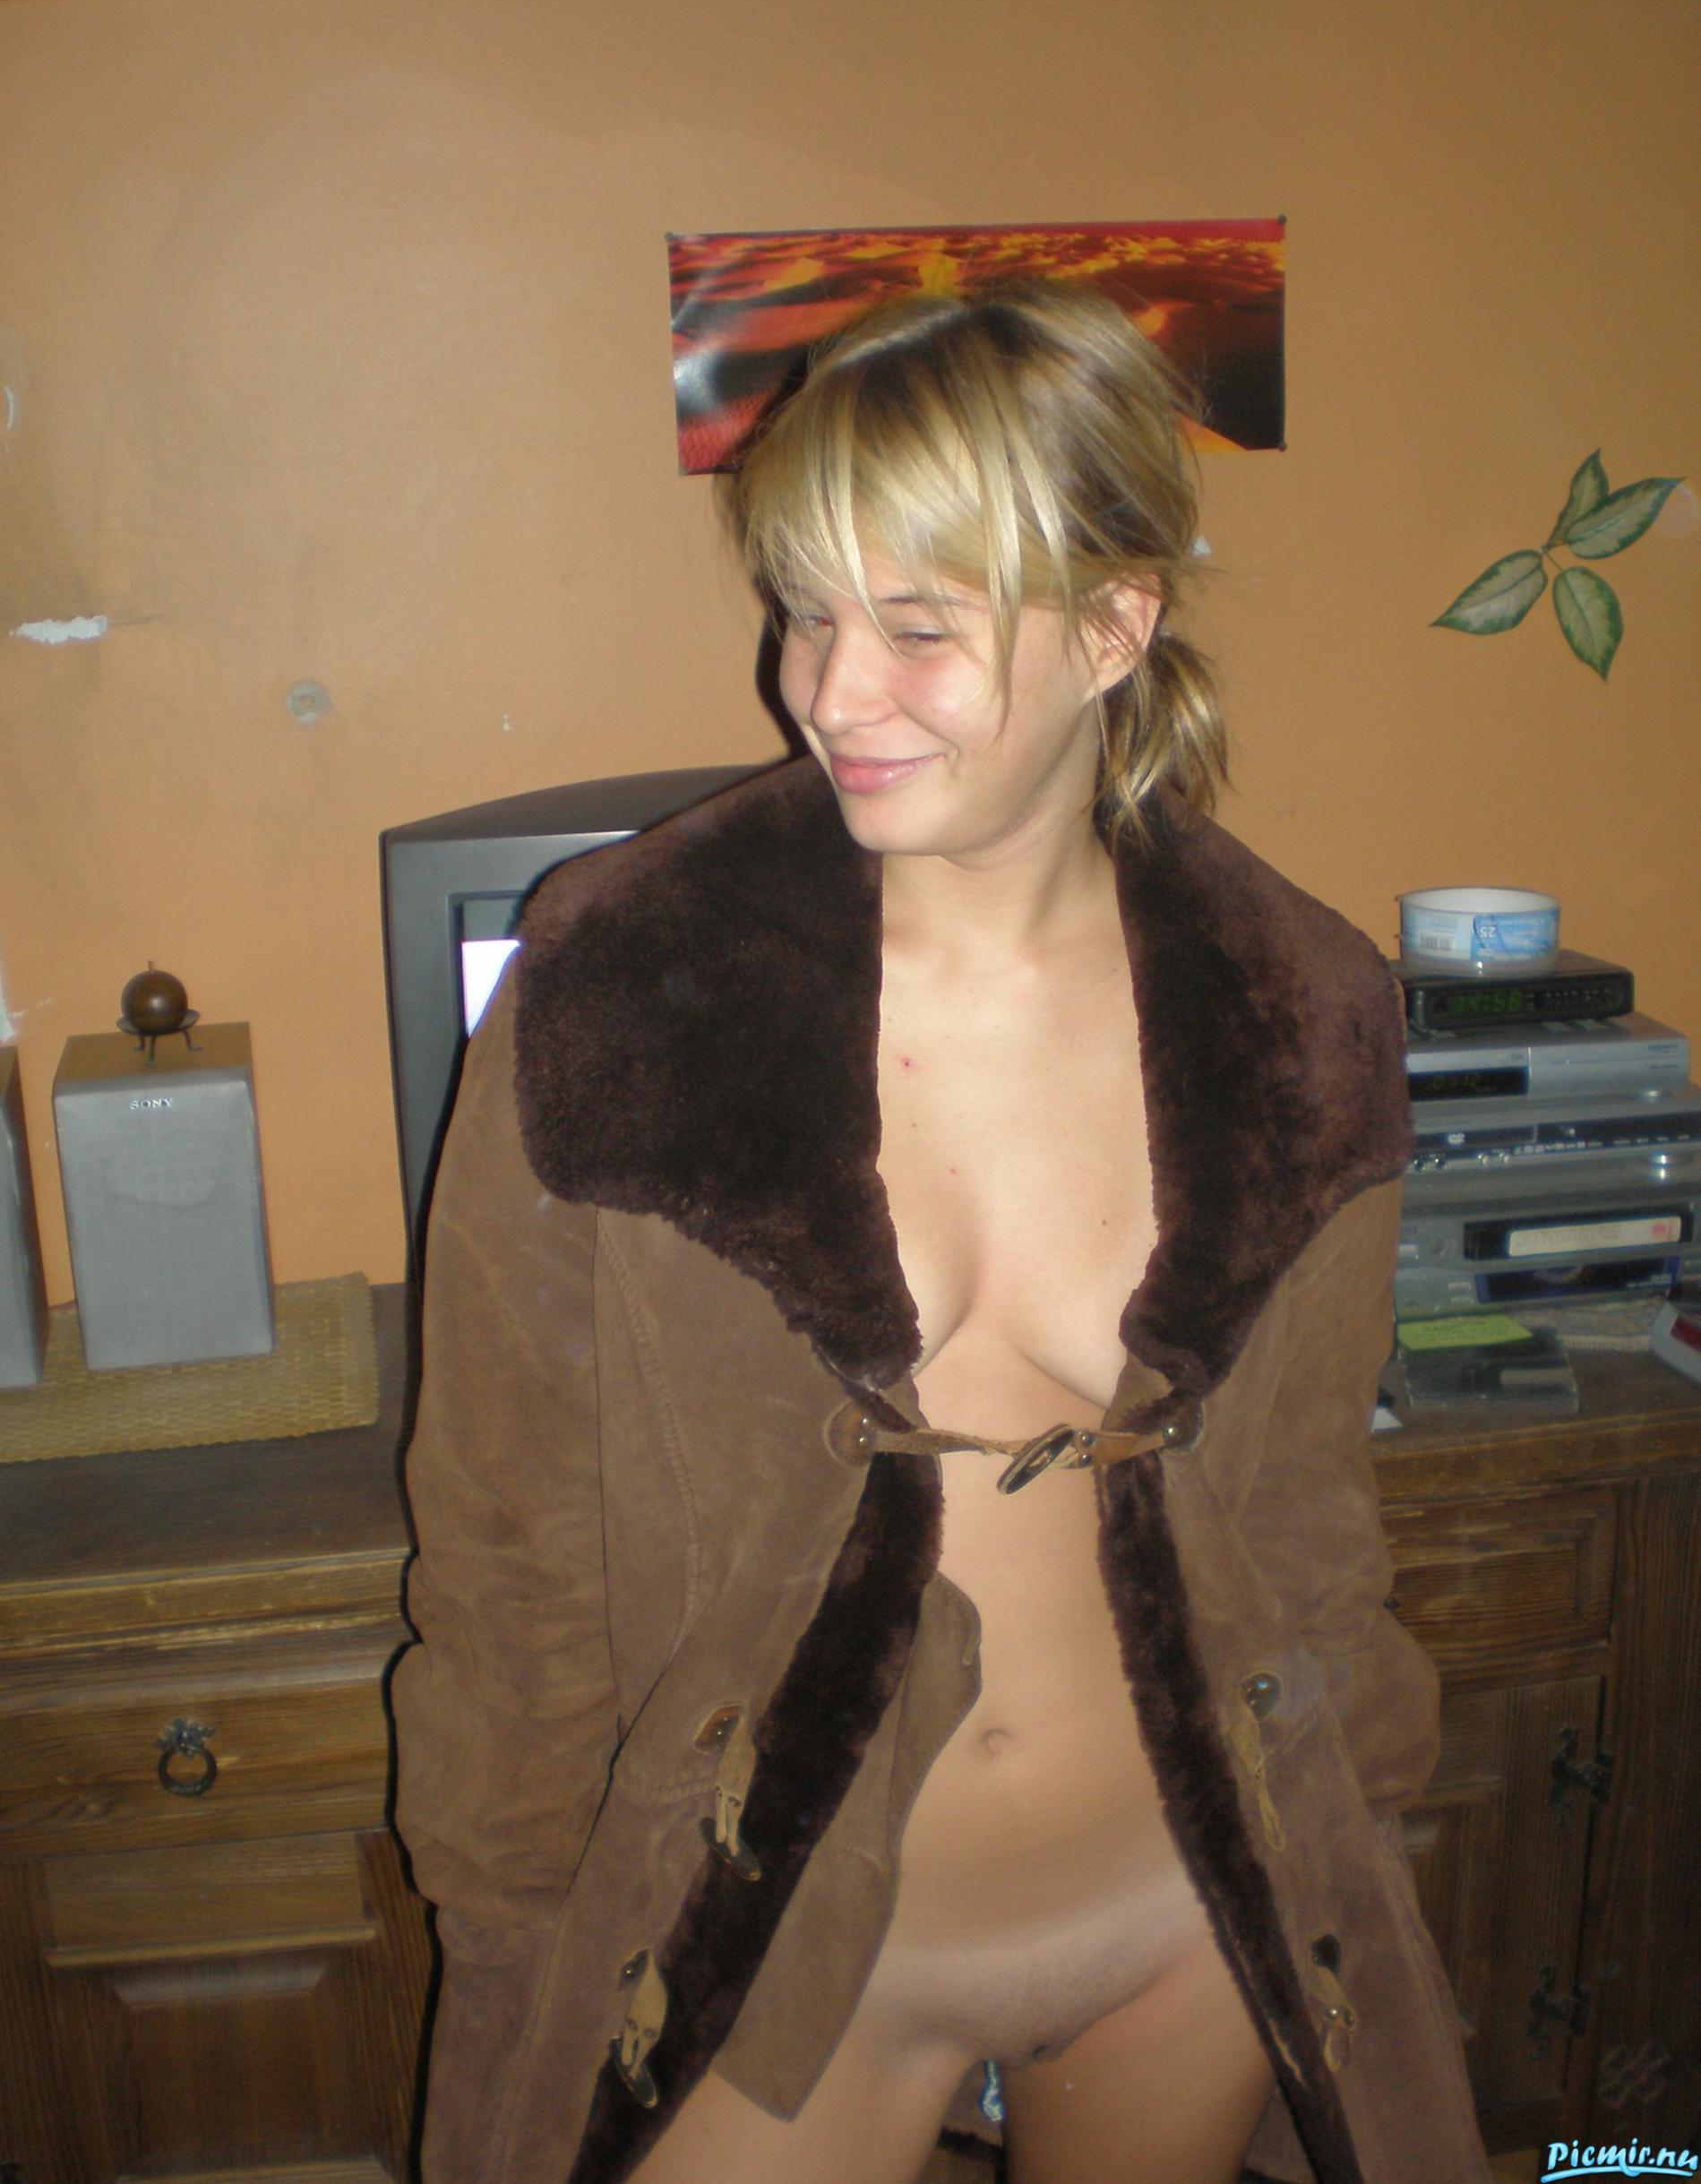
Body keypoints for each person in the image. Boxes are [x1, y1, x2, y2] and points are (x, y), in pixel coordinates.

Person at [391, 282, 1491, 2184]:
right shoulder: (616, 989)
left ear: (1113, 624)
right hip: (764, 1948)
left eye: (916, 626)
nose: (828, 692)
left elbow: (1311, 1530)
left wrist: (1358, 1849)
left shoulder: (1299, 1014)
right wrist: (509, 1949)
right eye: (804, 610)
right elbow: (505, 1558)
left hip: (1179, 1912)